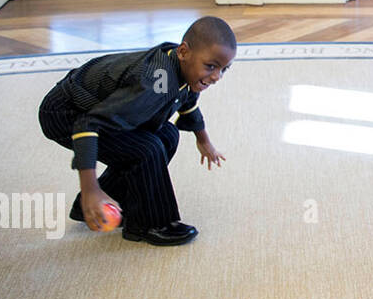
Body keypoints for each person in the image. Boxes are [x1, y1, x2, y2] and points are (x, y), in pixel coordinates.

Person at [38, 16, 236, 245]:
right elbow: (88, 124)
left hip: (101, 110)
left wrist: (204, 141)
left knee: (168, 135)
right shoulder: (154, 84)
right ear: (183, 52)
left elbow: (188, 102)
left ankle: (115, 202)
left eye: (224, 69)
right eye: (211, 66)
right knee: (147, 148)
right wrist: (89, 189)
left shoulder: (185, 68)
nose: (216, 77)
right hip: (66, 113)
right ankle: (150, 224)